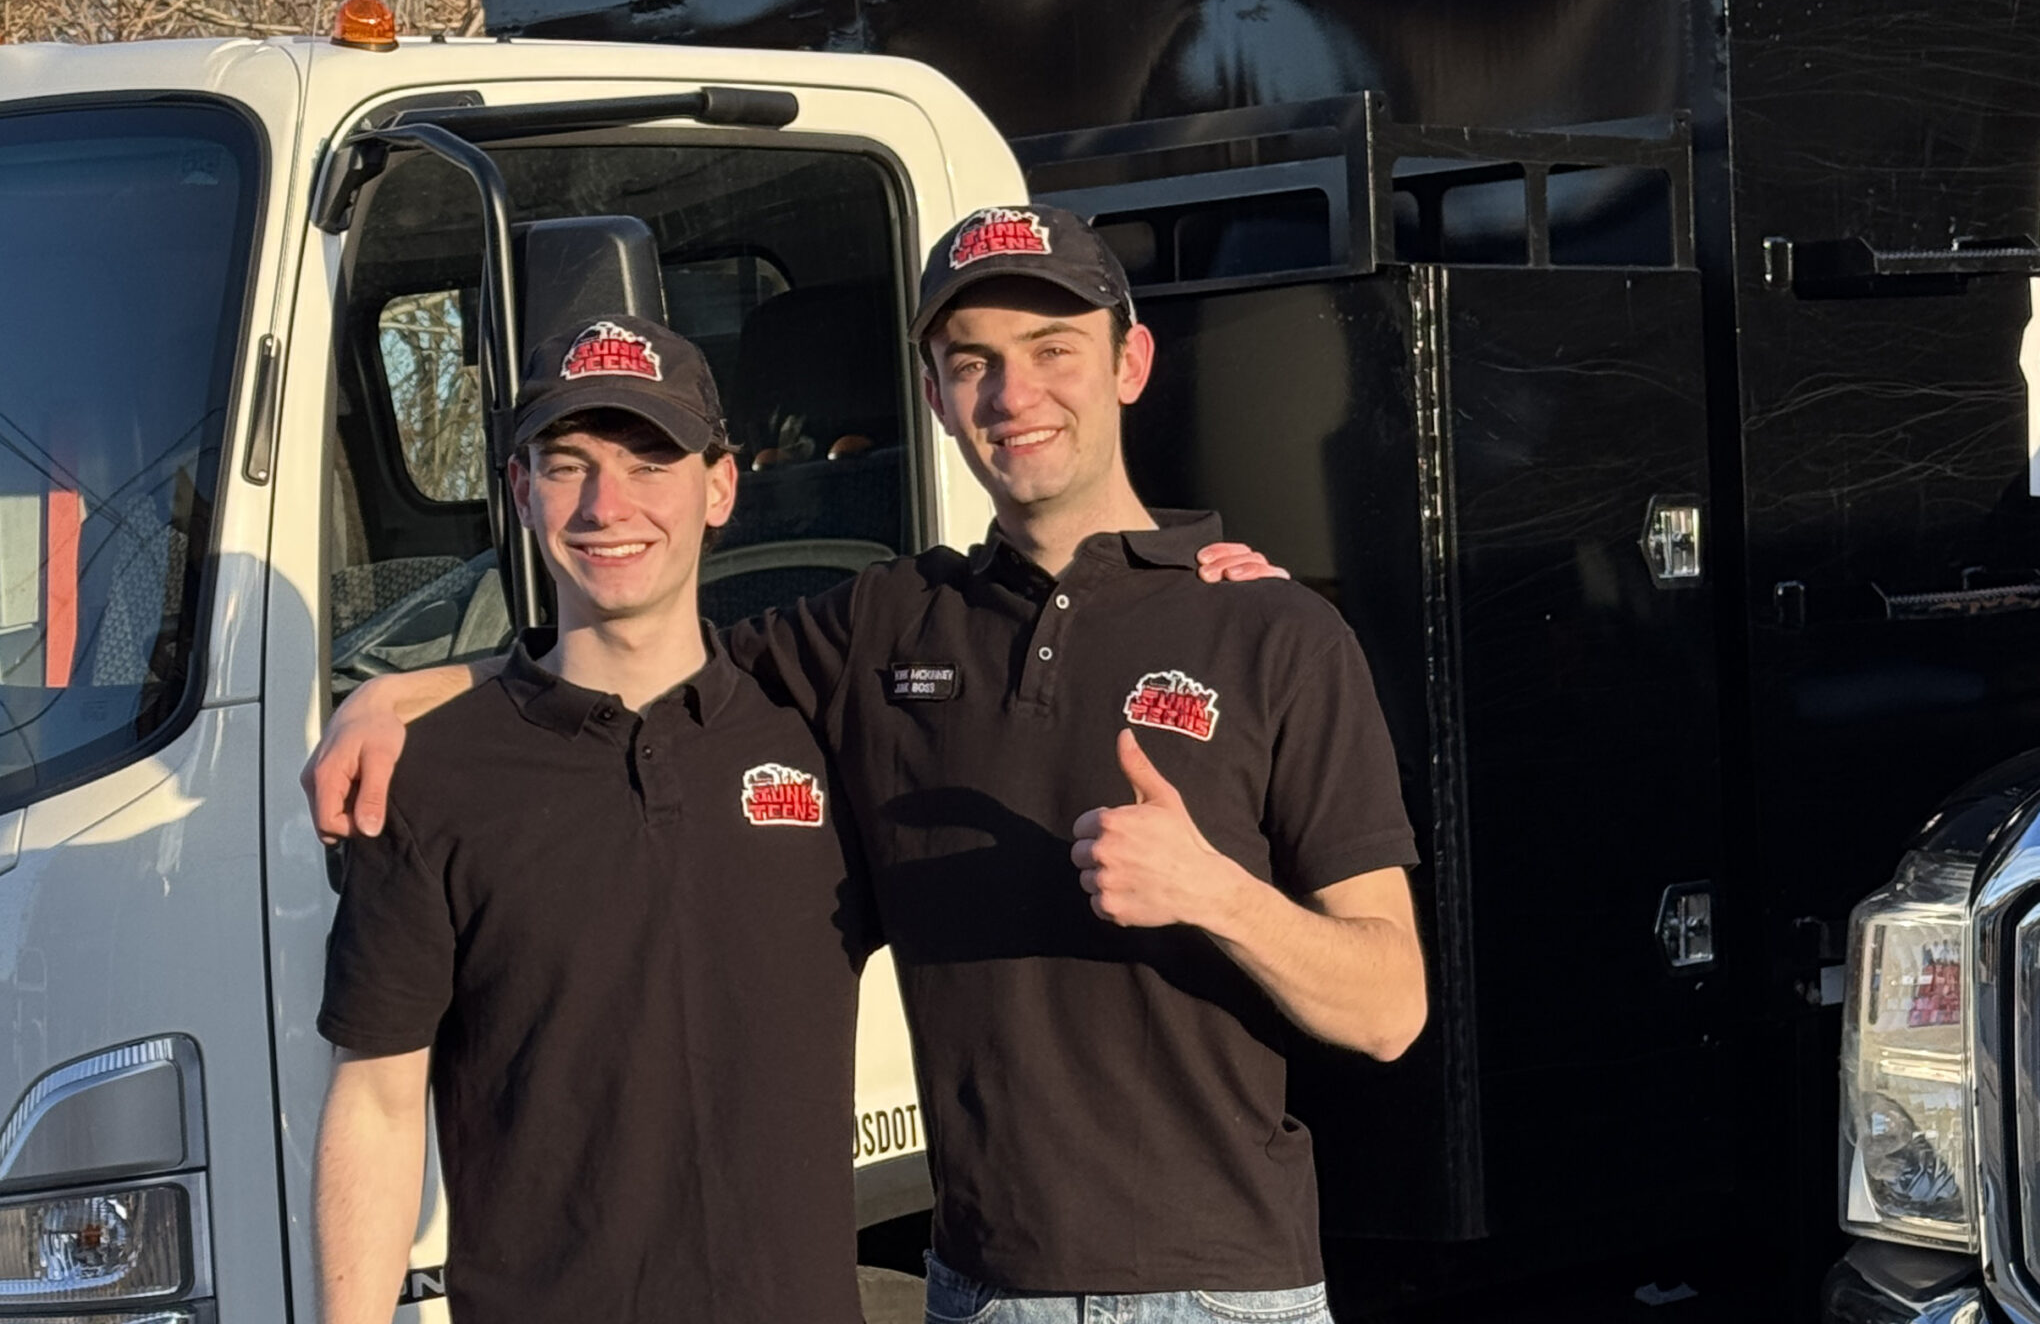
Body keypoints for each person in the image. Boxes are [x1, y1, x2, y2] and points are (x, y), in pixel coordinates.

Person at [310, 205, 1429, 1324]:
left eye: (1053, 352)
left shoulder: (1274, 635)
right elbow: (632, 654)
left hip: (1223, 1293)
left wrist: (1215, 892)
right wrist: (399, 693)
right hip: (981, 1294)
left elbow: (1389, 1007)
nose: (1013, 395)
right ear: (935, 395)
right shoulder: (886, 629)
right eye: (972, 363)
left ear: (1129, 363)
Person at [310, 315, 877, 1324]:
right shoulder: (437, 776)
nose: (606, 505)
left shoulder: (823, 737)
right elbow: (378, 1101)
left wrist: (1210, 595)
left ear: (720, 487)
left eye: (648, 462)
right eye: (567, 466)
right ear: (522, 492)